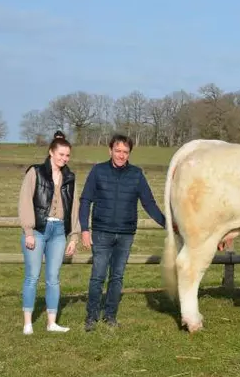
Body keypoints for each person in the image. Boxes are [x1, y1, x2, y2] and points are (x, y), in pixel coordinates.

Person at [79, 134, 166, 331]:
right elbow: (85, 200)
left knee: (117, 277)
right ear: (110, 150)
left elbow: (148, 203)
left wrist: (167, 224)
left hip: (125, 234)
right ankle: (91, 316)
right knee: (98, 276)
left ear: (129, 154)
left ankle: (110, 315)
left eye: (125, 152)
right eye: (117, 151)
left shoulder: (136, 174)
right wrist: (85, 229)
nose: (121, 155)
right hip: (101, 232)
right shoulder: (98, 171)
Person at [18, 131, 79, 335]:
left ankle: (51, 323)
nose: (64, 158)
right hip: (37, 229)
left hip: (59, 230)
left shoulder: (69, 177)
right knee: (32, 276)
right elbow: (25, 200)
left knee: (53, 277)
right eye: (61, 154)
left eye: (67, 155)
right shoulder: (35, 172)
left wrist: (74, 236)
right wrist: (28, 231)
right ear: (51, 152)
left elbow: (75, 207)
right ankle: (28, 323)